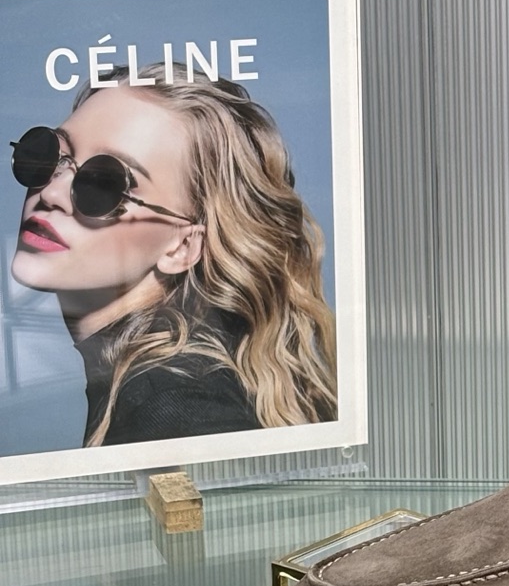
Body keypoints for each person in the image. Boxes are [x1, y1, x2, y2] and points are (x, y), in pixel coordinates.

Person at [9, 66, 337, 445]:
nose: (51, 194)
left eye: (105, 183)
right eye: (51, 155)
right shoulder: (150, 384)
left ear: (182, 247)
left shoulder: (175, 409)